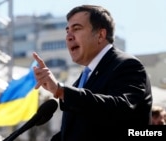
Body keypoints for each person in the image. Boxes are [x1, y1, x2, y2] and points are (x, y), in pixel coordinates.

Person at [32, 4, 152, 140]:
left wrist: (61, 91)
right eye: (67, 31)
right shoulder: (81, 80)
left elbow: (120, 109)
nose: (68, 37)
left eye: (76, 29)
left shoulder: (127, 65)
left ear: (101, 34)